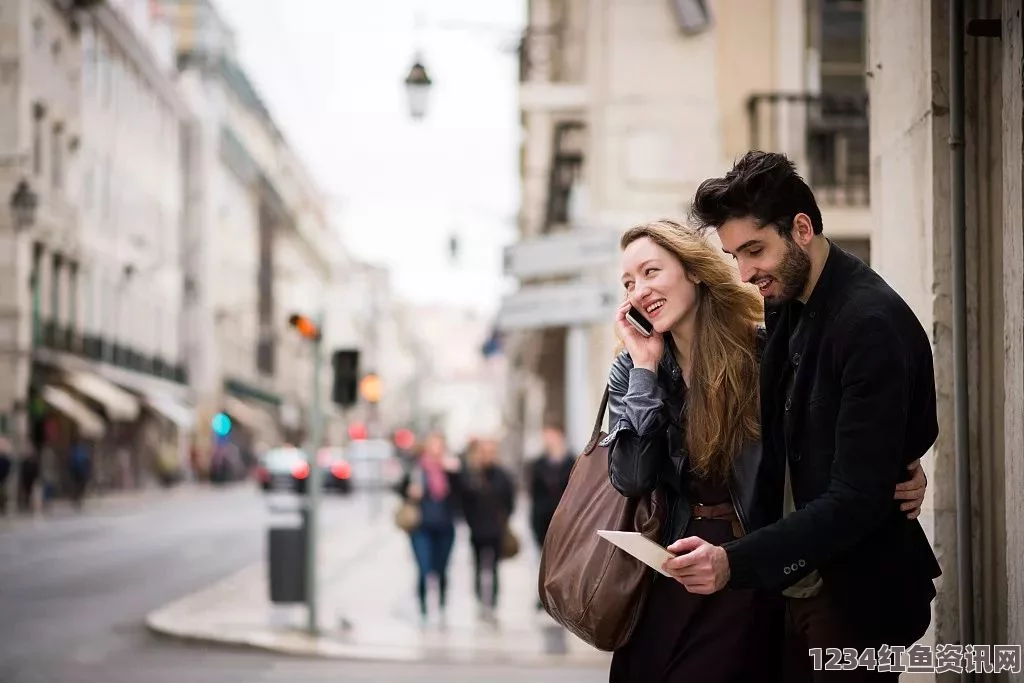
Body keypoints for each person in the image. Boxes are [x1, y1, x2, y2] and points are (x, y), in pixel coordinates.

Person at [604, 219, 927, 682]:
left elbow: (827, 435)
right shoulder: (633, 371)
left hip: (748, 562)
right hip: (672, 567)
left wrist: (902, 464)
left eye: (651, 272)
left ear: (693, 271)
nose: (639, 291)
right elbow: (632, 477)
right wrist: (645, 369)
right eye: (629, 283)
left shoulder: (764, 350)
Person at [669, 150, 940, 682]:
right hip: (790, 591)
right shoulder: (788, 306)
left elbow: (857, 498)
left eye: (754, 251)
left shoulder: (869, 324)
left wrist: (732, 561)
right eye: (734, 256)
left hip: (856, 603)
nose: (746, 273)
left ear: (800, 228)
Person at [396, 431, 462, 627]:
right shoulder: (417, 468)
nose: (436, 449)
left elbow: (462, 495)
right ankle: (424, 610)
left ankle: (441, 607)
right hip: (421, 527)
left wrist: (456, 473)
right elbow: (399, 487)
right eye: (433, 444)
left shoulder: (451, 469)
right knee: (423, 568)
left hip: (445, 527)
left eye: (439, 445)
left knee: (441, 569)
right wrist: (409, 491)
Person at [459, 437, 516, 624]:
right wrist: (471, 521)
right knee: (477, 568)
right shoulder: (472, 474)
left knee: (493, 569)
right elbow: (465, 501)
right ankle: (480, 602)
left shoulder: (502, 476)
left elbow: (509, 501)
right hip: (477, 530)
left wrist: (503, 520)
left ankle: (492, 604)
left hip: (496, 530)